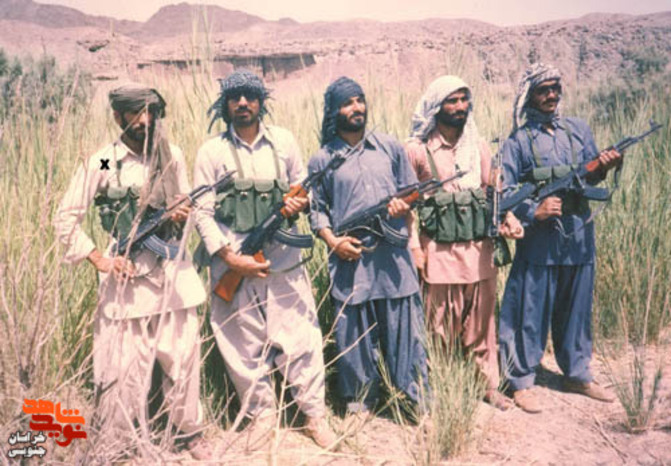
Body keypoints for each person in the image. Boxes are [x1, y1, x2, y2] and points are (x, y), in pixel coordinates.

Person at [53, 83, 209, 458]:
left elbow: (187, 204)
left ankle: (190, 433)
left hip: (171, 275)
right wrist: (99, 259)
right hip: (126, 279)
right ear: (118, 116)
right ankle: (118, 441)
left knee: (183, 358)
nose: (145, 120)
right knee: (121, 368)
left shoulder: (171, 155)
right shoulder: (107, 161)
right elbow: (65, 218)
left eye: (151, 112)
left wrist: (181, 211)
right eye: (136, 113)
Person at [192, 70, 337, 449]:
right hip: (233, 261)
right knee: (242, 343)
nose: (243, 103)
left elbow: (303, 187)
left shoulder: (284, 141)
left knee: (302, 338)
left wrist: (298, 202)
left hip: (283, 261)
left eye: (250, 96)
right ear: (225, 104)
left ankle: (314, 416)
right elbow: (202, 211)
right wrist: (230, 258)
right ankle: (261, 417)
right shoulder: (211, 152)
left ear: (261, 102)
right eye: (235, 97)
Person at [498, 63, 621, 413]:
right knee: (528, 310)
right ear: (530, 96)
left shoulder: (578, 130)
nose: (551, 95)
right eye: (543, 90)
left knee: (576, 309)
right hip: (540, 241)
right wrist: (533, 210)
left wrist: (605, 165)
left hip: (578, 235)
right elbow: (504, 193)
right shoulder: (518, 141)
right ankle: (520, 381)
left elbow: (591, 177)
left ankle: (577, 374)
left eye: (555, 88)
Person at [308, 76, 429, 421]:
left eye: (359, 100)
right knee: (353, 334)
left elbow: (411, 192)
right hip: (352, 258)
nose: (356, 108)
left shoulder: (390, 147)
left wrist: (403, 205)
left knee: (405, 332)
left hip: (393, 260)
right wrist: (333, 241)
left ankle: (415, 400)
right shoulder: (323, 159)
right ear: (334, 111)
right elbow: (317, 211)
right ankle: (360, 403)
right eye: (347, 103)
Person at [405, 75, 524, 411]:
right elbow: (407, 206)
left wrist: (508, 219)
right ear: (436, 106)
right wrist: (414, 247)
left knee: (482, 324)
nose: (459, 107)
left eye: (463, 100)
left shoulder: (478, 146)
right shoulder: (417, 150)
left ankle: (487, 385)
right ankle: (441, 386)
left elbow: (492, 192)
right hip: (439, 253)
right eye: (452, 100)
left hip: (479, 251)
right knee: (438, 325)